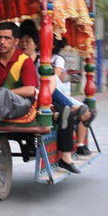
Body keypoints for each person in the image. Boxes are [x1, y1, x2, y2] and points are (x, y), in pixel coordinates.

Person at [19, 29, 80, 173]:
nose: (24, 45)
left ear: (35, 45)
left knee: (66, 114)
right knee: (63, 111)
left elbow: (52, 83)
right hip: (24, 99)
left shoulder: (42, 62)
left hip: (42, 98)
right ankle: (60, 112)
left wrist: (43, 96)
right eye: (21, 42)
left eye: (28, 42)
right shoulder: (17, 60)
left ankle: (65, 157)